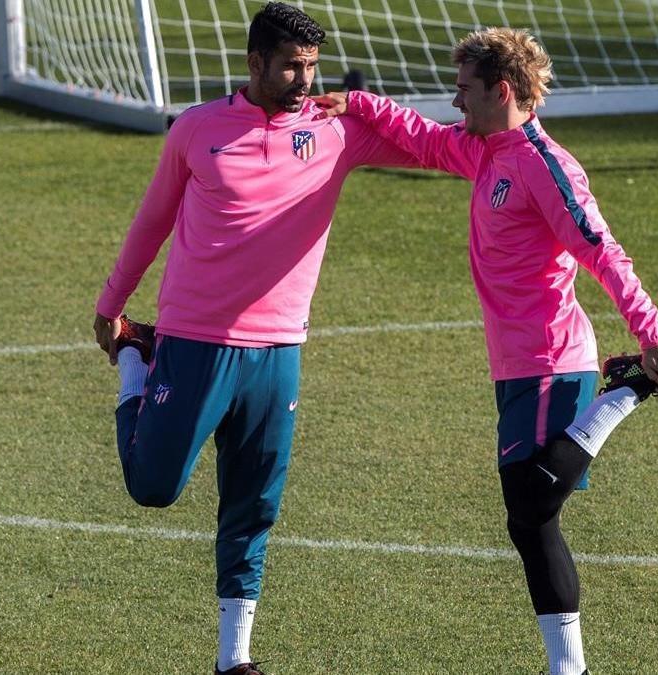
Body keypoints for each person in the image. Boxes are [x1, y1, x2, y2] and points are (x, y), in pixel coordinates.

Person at [313, 28, 658, 674]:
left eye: (465, 89)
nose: (455, 101)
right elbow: (423, 138)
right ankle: (567, 666)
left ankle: (628, 390)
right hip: (514, 365)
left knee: (532, 503)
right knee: (529, 519)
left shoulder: (546, 165)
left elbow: (599, 249)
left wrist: (650, 328)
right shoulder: (486, 151)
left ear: (502, 90)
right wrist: (359, 106)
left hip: (553, 356)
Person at [91, 4, 420, 674]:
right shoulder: (196, 129)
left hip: (279, 353)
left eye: (312, 68)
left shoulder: (334, 130)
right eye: (291, 67)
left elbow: (432, 147)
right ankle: (135, 360)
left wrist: (362, 101)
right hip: (194, 341)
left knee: (255, 504)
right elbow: (152, 220)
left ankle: (234, 658)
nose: (304, 81)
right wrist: (112, 312)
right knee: (153, 487)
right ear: (254, 63)